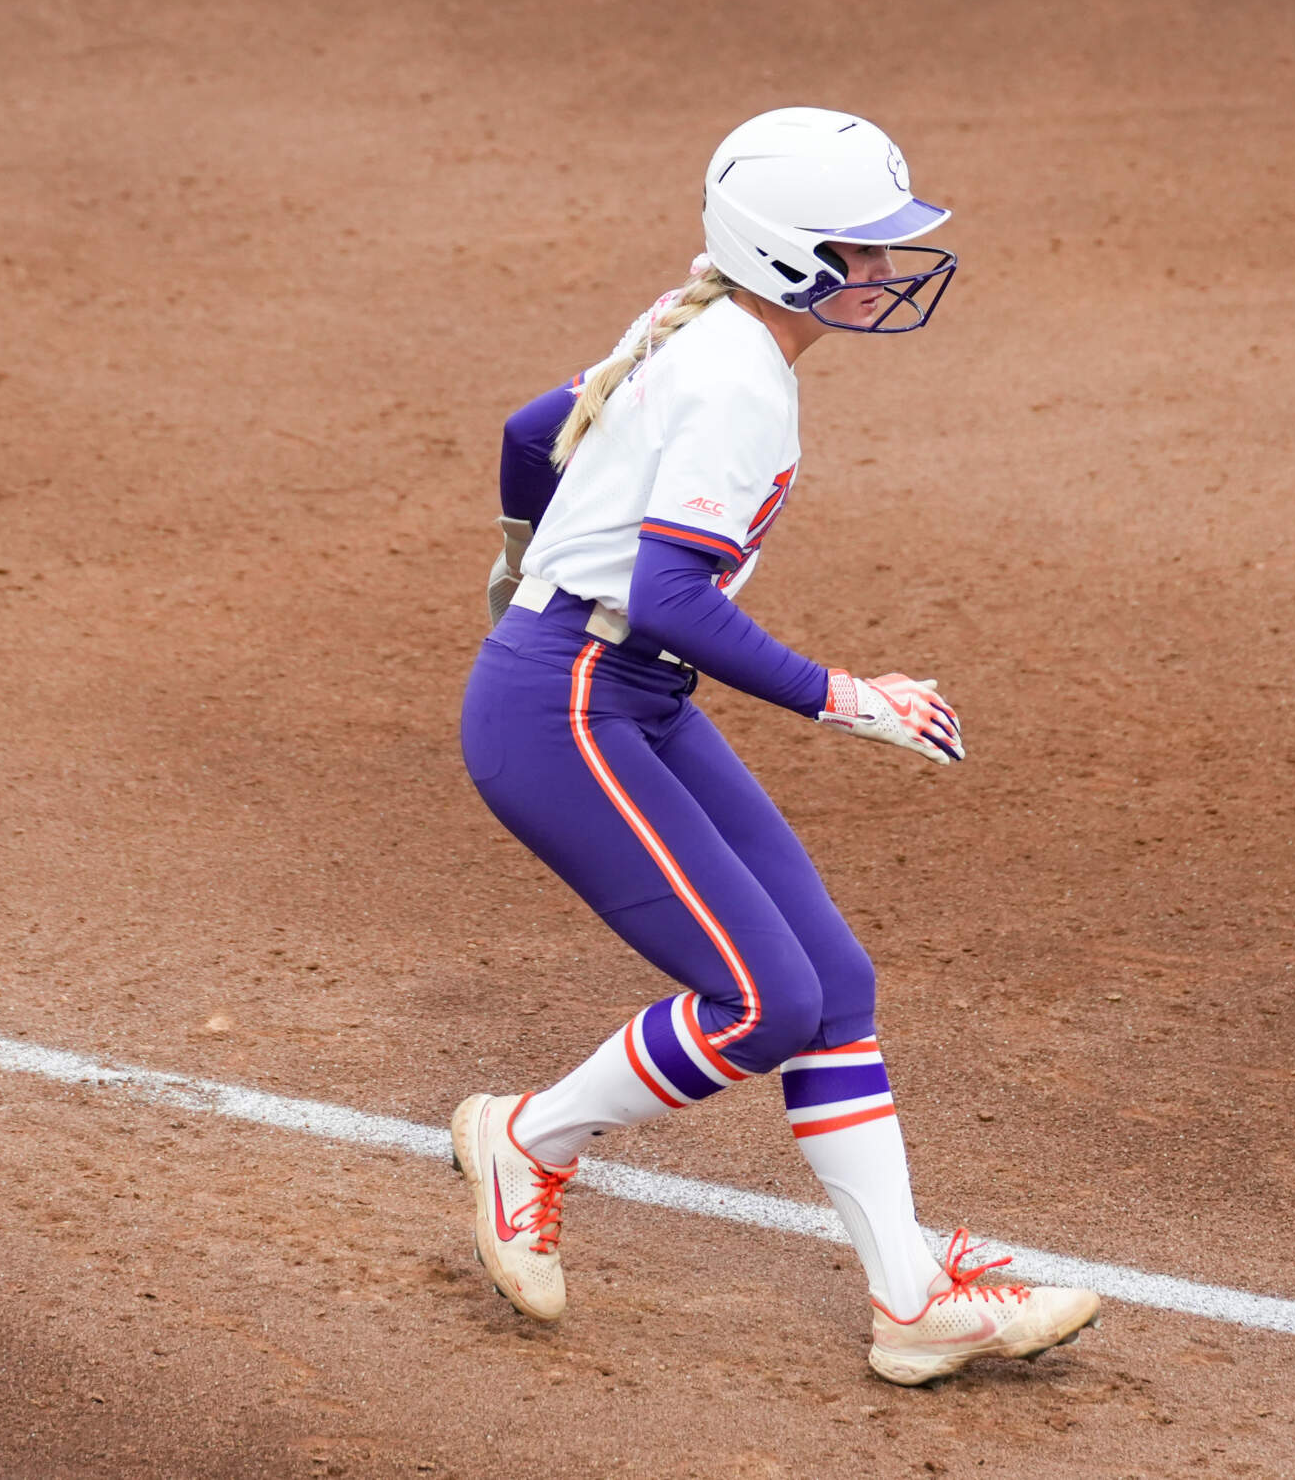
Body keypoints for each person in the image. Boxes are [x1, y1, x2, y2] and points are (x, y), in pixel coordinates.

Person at [451, 108, 1099, 1385]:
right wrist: (846, 696)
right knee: (763, 1003)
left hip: (615, 689)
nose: (889, 268)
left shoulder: (692, 320)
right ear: (790, 254)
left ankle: (909, 1301)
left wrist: (527, 562)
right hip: (565, 706)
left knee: (831, 984)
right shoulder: (739, 376)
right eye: (865, 247)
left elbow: (534, 433)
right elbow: (670, 595)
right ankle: (527, 1138)